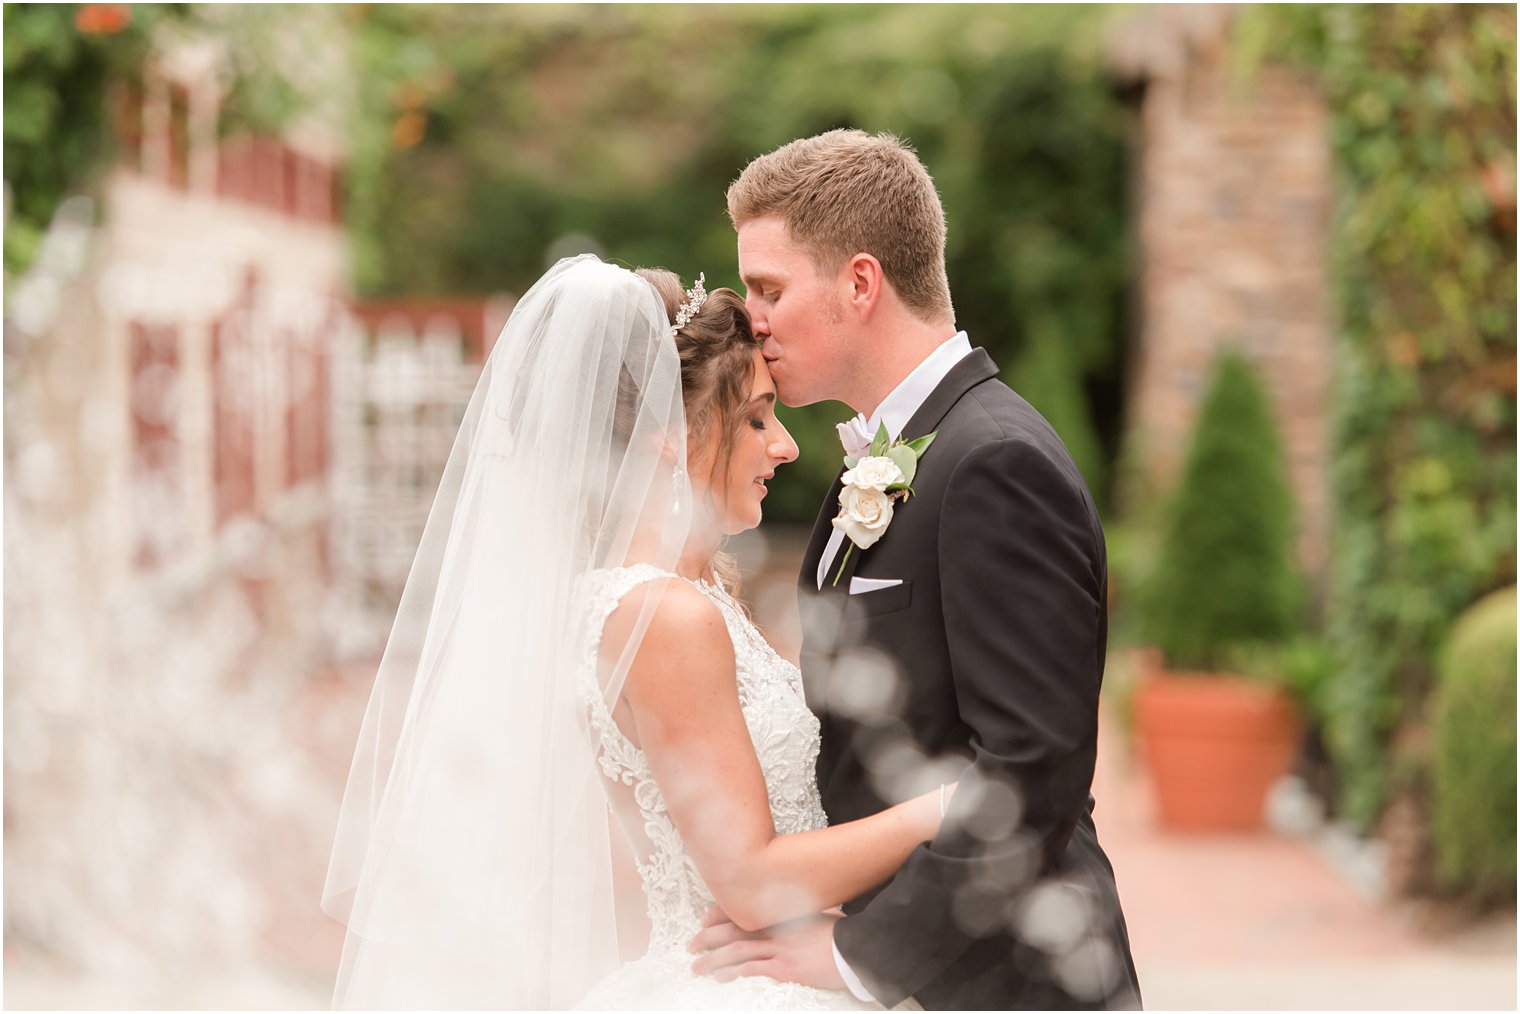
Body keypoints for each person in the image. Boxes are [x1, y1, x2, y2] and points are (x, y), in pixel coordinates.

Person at [322, 254, 953, 1009]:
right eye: (755, 417)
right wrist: (946, 807)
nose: (783, 446)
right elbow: (750, 881)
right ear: (667, 435)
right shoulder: (666, 616)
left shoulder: (661, 595)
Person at [689, 129, 1142, 1009]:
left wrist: (864, 956)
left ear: (861, 283)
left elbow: (1032, 768)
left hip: (1008, 982)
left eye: (770, 288)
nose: (753, 318)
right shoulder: (895, 456)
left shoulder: (995, 464)